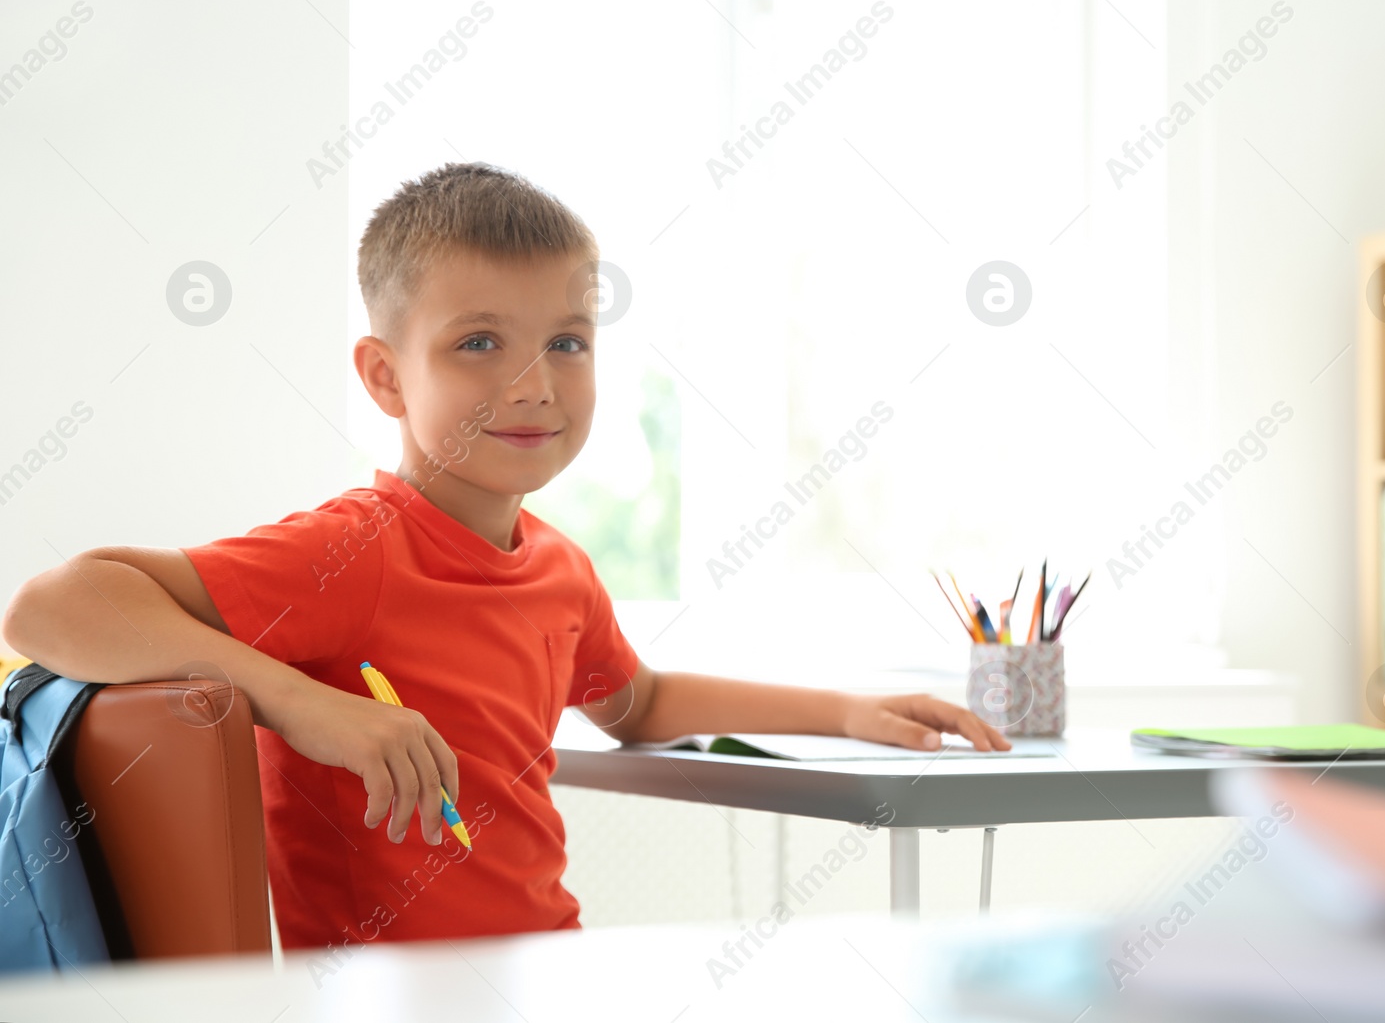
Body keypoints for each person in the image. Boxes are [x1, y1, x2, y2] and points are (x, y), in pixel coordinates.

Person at [1, 162, 1008, 951]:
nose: (534, 385)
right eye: (480, 342)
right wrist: (304, 705)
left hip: (542, 965)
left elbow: (637, 702)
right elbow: (48, 607)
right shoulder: (357, 547)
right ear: (385, 377)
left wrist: (845, 711)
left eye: (567, 342)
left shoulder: (559, 565)